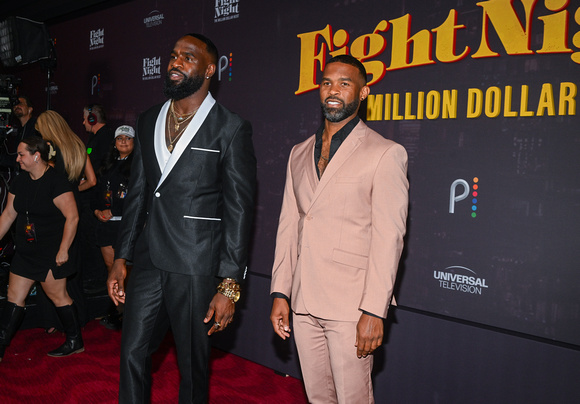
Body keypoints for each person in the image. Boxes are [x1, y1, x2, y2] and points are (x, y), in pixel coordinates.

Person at [107, 33, 256, 403]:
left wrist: (229, 285)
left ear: (209, 69)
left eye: (187, 57)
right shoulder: (147, 121)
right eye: (173, 56)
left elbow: (239, 211)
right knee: (131, 354)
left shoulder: (231, 128)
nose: (175, 62)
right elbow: (139, 193)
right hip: (146, 261)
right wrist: (121, 257)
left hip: (196, 264)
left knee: (192, 366)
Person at [270, 54, 409, 404]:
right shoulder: (298, 154)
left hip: (352, 306)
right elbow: (289, 225)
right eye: (327, 82)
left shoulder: (385, 153)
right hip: (303, 301)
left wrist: (374, 310)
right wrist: (280, 292)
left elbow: (388, 238)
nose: (334, 90)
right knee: (318, 398)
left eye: (345, 84)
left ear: (362, 93)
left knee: (352, 399)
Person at [0, 137, 82, 362]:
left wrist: (64, 249)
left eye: (21, 155)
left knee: (58, 296)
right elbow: (8, 214)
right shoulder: (19, 181)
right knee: (14, 297)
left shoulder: (57, 182)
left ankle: (75, 341)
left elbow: (72, 217)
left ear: (37, 156)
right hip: (26, 252)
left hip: (50, 252)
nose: (17, 159)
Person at [35, 110, 97, 332]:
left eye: (40, 128)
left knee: (50, 268)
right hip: (76, 211)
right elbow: (92, 181)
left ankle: (54, 322)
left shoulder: (49, 149)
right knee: (72, 267)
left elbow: (45, 183)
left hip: (54, 214)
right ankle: (77, 318)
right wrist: (73, 192)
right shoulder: (79, 146)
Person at [92, 125, 135, 330]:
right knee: (112, 271)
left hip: (126, 227)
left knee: (125, 271)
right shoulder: (107, 165)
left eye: (128, 138)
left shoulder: (138, 166)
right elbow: (96, 195)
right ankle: (118, 311)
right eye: (120, 138)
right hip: (106, 226)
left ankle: (130, 314)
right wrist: (97, 212)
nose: (124, 141)